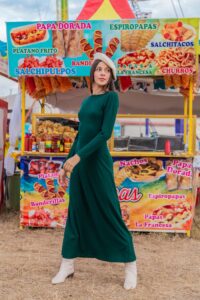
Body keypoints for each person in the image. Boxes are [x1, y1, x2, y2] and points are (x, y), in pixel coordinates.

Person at [52, 53, 137, 290]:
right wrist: (67, 162)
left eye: (106, 70)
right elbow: (81, 135)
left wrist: (78, 157)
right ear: (93, 73)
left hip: (97, 163)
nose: (102, 73)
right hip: (80, 164)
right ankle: (67, 264)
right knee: (76, 212)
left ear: (111, 76)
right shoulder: (88, 100)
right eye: (99, 69)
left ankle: (130, 264)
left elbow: (104, 134)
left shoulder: (111, 98)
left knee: (109, 210)